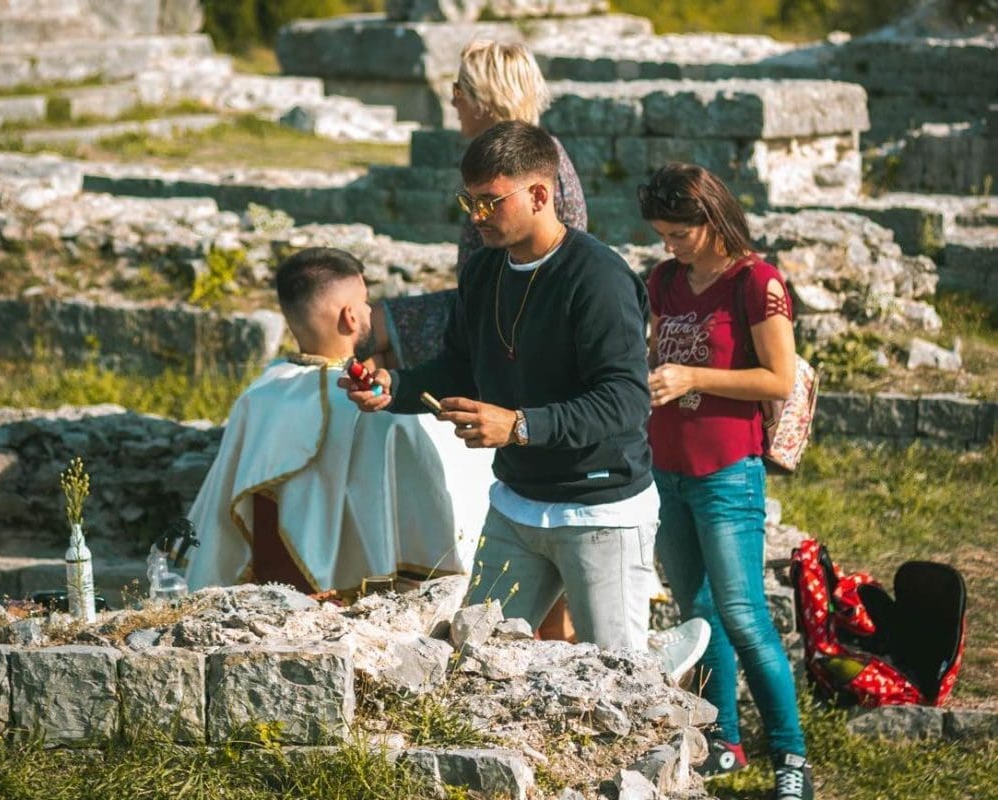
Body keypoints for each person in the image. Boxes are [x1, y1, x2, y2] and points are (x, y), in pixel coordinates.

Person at [345, 121, 708, 680]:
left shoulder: (599, 279)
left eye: (491, 201)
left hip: (601, 510)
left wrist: (518, 425)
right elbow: (461, 368)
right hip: (517, 504)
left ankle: (659, 680)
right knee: (472, 668)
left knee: (620, 683)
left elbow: (625, 403)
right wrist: (395, 389)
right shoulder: (485, 271)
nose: (476, 216)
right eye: (469, 200)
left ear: (540, 195)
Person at [639, 163, 813, 800]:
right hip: (668, 470)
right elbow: (664, 352)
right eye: (662, 233)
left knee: (744, 616)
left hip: (726, 473)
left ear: (713, 220)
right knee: (700, 616)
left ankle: (791, 757)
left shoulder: (757, 283)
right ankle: (726, 741)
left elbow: (778, 379)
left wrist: (692, 378)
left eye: (679, 233)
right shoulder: (665, 280)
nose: (669, 245)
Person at [183, 247, 493, 596]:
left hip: (276, 590)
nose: (368, 310)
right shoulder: (382, 411)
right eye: (365, 302)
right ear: (349, 317)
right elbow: (440, 500)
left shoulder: (261, 394)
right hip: (363, 599)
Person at [371, 39, 587, 371]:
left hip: (509, 318)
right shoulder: (508, 156)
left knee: (366, 330)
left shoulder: (524, 165)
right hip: (485, 303)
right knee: (371, 347)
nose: (453, 100)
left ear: (484, 99)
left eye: (459, 89)